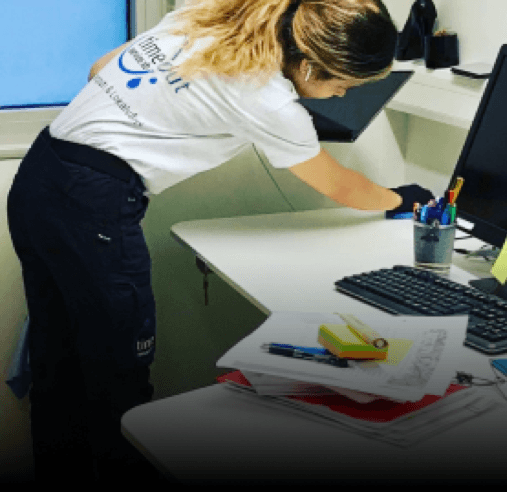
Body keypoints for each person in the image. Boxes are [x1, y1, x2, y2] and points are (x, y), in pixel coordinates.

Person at [7, 0, 434, 483]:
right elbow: (340, 186)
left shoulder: (208, 16)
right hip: (94, 208)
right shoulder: (269, 100)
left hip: (41, 177)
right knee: (118, 379)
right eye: (343, 84)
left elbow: (99, 68)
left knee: (57, 362)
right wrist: (404, 197)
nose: (341, 95)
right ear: (310, 65)